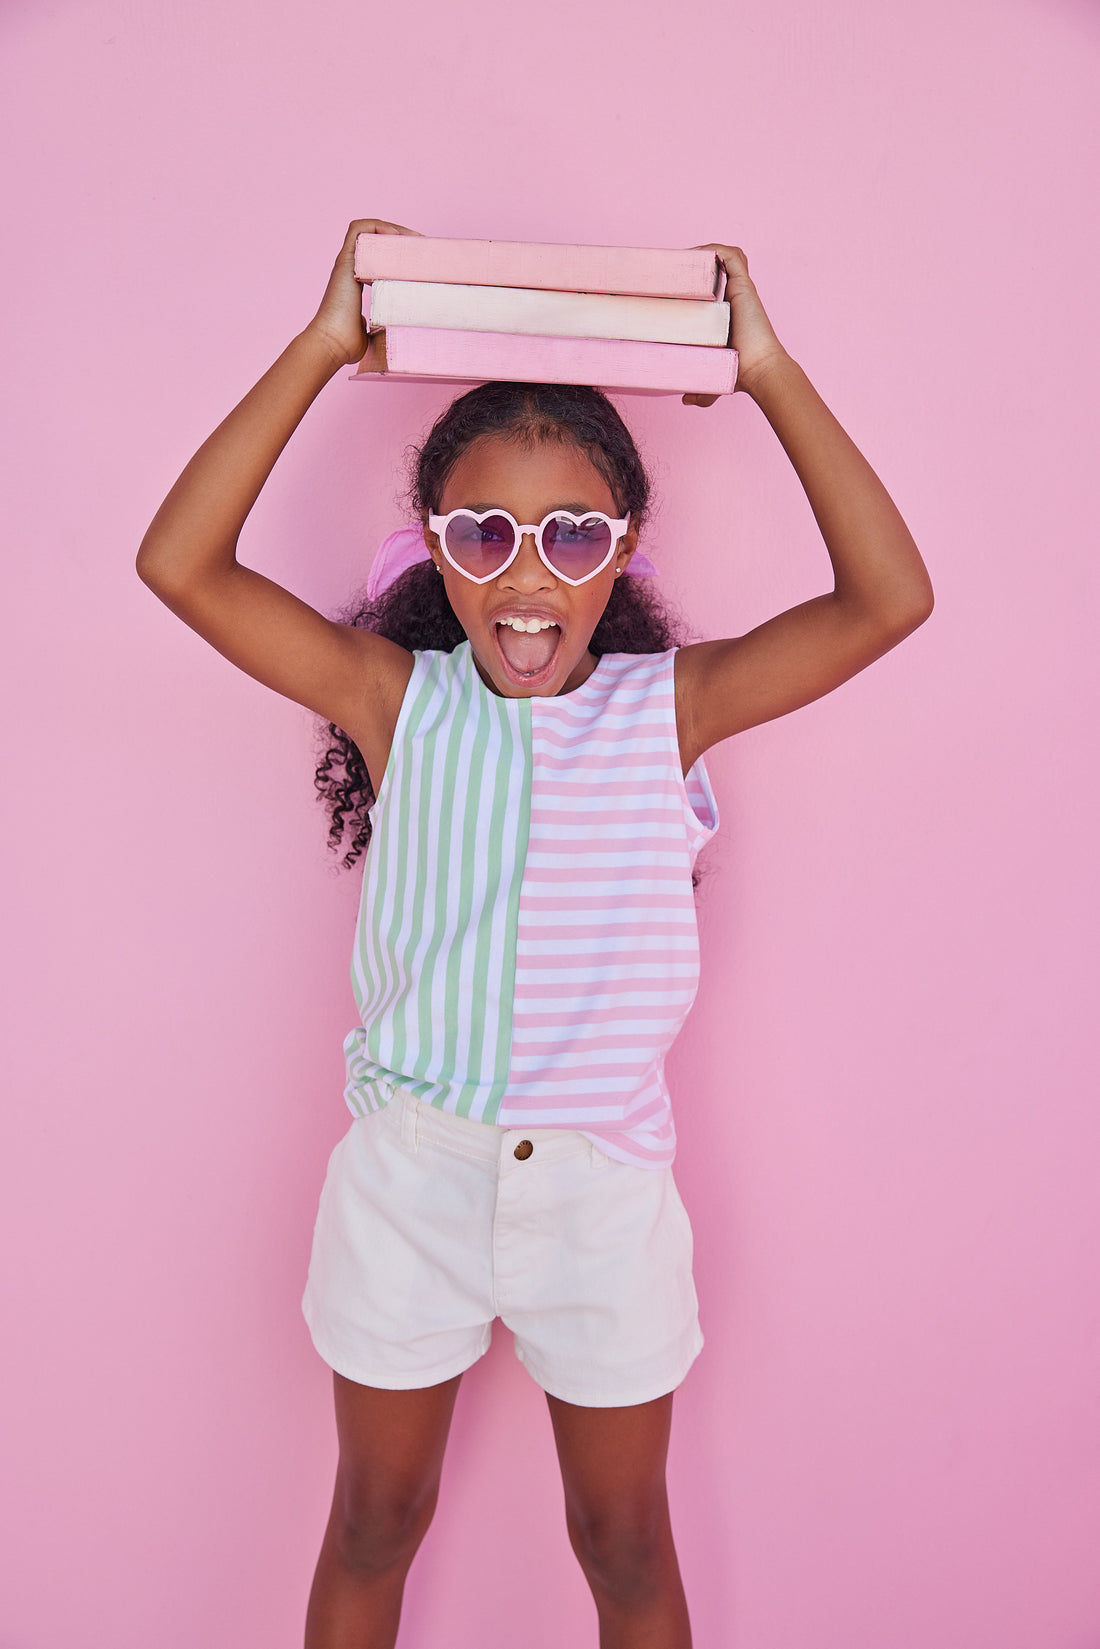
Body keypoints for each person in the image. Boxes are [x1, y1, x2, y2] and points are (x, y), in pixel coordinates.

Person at [137, 218, 933, 1649]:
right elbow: (179, 563)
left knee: (623, 1539)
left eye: (570, 534)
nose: (526, 577)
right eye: (482, 531)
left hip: (600, 1196)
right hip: (410, 1179)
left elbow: (892, 599)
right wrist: (324, 342)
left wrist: (770, 373)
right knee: (375, 1519)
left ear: (620, 545)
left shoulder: (667, 711)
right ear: (437, 544)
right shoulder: (396, 701)